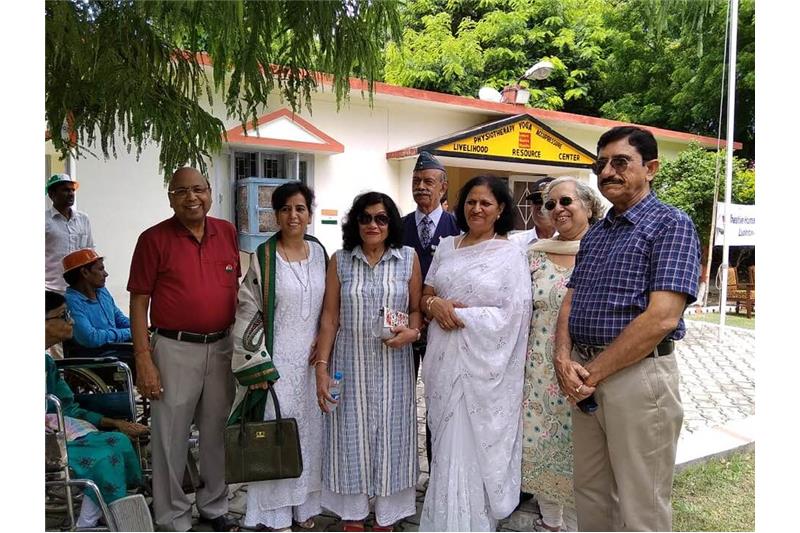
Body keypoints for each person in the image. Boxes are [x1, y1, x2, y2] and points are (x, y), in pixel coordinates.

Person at [553, 126, 701, 531]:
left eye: (621, 162)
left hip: (638, 379)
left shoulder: (671, 225)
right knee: (591, 492)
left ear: (651, 168)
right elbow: (572, 299)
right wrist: (563, 359)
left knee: (642, 505)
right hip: (584, 376)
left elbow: (662, 318)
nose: (608, 172)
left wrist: (591, 373)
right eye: (602, 164)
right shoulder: (596, 234)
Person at [127, 167, 241, 532]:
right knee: (169, 437)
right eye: (182, 192)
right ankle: (172, 516)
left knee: (216, 432)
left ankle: (213, 505)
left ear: (210, 192)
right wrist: (144, 359)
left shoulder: (227, 231)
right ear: (171, 198)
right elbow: (138, 302)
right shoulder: (152, 239)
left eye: (198, 190)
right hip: (174, 349)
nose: (192, 198)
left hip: (222, 346)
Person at [419, 176, 532, 531]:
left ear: (500, 209)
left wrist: (464, 315)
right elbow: (425, 295)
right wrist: (434, 304)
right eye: (470, 202)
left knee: (469, 442)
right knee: (445, 439)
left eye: (486, 203)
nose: (477, 208)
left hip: (484, 370)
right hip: (443, 362)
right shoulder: (447, 247)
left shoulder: (510, 253)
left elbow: (516, 313)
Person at [315, 192, 423, 532]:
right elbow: (330, 318)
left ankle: (387, 516)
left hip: (395, 366)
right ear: (355, 223)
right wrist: (321, 367)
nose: (373, 224)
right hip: (350, 362)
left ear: (390, 223)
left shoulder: (407, 258)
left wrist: (413, 332)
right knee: (350, 436)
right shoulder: (340, 260)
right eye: (365, 218)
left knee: (394, 436)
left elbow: (418, 308)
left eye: (381, 218)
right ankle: (353, 515)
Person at [228, 182, 328, 531]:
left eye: (300, 208)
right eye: (285, 209)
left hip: (311, 361)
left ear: (309, 214)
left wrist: (325, 341)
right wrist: (258, 365)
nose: (293, 215)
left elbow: (330, 306)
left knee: (309, 433)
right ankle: (272, 514)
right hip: (277, 360)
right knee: (275, 434)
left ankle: (304, 507)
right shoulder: (264, 256)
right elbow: (247, 310)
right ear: (276, 215)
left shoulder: (319, 252)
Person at [520, 177, 605, 532]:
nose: (558, 209)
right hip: (538, 372)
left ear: (588, 206)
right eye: (551, 204)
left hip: (588, 370)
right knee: (540, 446)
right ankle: (549, 523)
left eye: (566, 201)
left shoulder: (605, 251)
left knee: (583, 454)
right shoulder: (533, 255)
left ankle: (576, 525)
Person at [45, 290, 147, 528]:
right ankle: (87, 522)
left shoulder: (47, 363)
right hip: (47, 441)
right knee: (104, 456)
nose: (70, 321)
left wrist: (116, 423)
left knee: (119, 441)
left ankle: (102, 510)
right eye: (63, 316)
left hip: (59, 430)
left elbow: (70, 408)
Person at [401, 150, 460, 467]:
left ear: (443, 187)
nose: (421, 186)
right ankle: (402, 467)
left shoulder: (459, 228)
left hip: (443, 328)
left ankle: (439, 469)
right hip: (405, 329)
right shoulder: (397, 227)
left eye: (428, 181)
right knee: (400, 399)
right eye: (416, 181)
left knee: (440, 400)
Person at [63, 248, 134, 363]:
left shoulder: (102, 292)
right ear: (85, 272)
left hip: (116, 349)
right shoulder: (71, 301)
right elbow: (90, 337)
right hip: (95, 358)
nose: (106, 274)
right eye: (101, 269)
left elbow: (119, 318)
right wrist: (130, 332)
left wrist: (140, 328)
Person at [46, 173, 94, 294]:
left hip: (79, 289)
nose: (71, 193)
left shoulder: (83, 219)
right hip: (51, 289)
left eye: (72, 190)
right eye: (65, 190)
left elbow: (90, 251)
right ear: (52, 195)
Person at [509, 177, 556, 248]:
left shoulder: (572, 243)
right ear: (531, 207)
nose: (542, 206)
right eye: (538, 201)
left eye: (548, 202)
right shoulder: (514, 243)